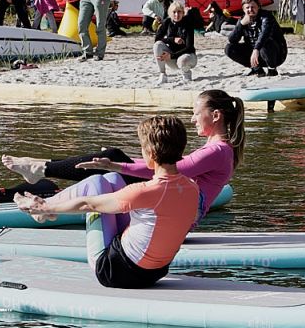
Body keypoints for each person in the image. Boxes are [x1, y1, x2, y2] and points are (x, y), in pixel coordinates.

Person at [2, 88, 245, 224]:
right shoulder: (219, 149)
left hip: (178, 213)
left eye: (196, 113)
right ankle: (45, 193)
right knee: (108, 170)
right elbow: (164, 168)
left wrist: (116, 165)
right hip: (177, 206)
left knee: (110, 162)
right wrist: (115, 167)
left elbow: (163, 170)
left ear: (215, 116)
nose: (192, 119)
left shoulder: (217, 150)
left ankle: (44, 189)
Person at [14, 116, 199, 289]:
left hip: (114, 272)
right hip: (156, 272)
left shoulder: (146, 191)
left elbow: (88, 204)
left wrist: (46, 207)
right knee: (112, 178)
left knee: (96, 182)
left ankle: (43, 209)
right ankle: (45, 209)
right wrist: (112, 165)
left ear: (149, 153)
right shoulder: (191, 187)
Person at [226, 0, 287, 76]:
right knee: (229, 48)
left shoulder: (266, 16)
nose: (250, 10)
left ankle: (272, 70)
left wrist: (256, 49)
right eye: (247, 8)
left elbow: (265, 34)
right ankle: (257, 69)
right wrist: (241, 24)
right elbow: (232, 40)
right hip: (254, 55)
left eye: (253, 7)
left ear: (258, 7)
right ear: (243, 9)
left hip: (274, 54)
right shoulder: (243, 20)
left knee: (265, 42)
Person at [154, 1, 197, 85]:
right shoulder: (167, 22)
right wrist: (172, 39)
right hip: (172, 58)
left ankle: (186, 73)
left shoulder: (188, 24)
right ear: (170, 13)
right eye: (174, 12)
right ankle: (163, 74)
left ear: (183, 13)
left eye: (179, 12)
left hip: (187, 57)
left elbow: (189, 47)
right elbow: (157, 38)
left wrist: (172, 55)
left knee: (183, 60)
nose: (177, 15)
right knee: (157, 45)